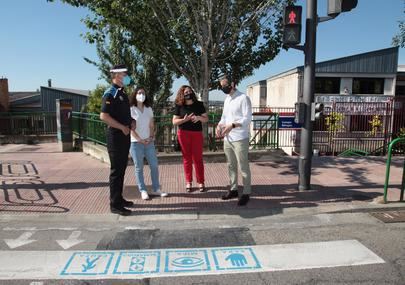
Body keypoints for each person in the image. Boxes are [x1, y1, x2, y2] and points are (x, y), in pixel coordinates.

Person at [100, 64, 135, 216]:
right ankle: (115, 205)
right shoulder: (111, 93)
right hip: (116, 137)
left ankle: (119, 198)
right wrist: (122, 127)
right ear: (116, 75)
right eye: (124, 73)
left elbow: (121, 114)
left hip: (124, 135)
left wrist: (131, 121)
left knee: (121, 170)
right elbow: (104, 116)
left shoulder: (122, 93)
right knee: (116, 171)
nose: (127, 75)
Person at [216, 75, 252, 206]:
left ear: (232, 83)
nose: (223, 87)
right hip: (228, 138)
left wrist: (232, 125)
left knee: (243, 166)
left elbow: (247, 118)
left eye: (225, 84)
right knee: (231, 165)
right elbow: (224, 117)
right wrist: (219, 125)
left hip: (240, 138)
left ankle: (246, 192)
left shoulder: (243, 98)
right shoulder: (227, 99)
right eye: (221, 86)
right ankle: (234, 189)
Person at [129, 87, 168, 200]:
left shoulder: (148, 108)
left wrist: (151, 137)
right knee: (139, 167)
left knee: (154, 166)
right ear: (135, 95)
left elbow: (151, 124)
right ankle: (143, 190)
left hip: (149, 142)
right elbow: (131, 128)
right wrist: (140, 139)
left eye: (143, 93)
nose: (141, 95)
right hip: (136, 143)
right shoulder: (131, 109)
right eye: (139, 93)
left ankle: (156, 189)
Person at [172, 85, 208, 192]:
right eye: (185, 92)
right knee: (187, 159)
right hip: (183, 134)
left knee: (198, 158)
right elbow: (174, 121)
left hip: (197, 134)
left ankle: (201, 182)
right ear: (182, 94)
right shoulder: (179, 105)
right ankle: (189, 182)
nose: (188, 93)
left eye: (189, 91)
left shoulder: (199, 105)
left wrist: (198, 118)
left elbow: (206, 119)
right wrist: (184, 119)